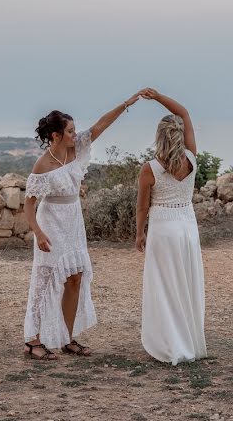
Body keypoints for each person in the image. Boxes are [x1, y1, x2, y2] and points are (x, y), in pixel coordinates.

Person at [22, 92, 143, 360]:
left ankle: (67, 338)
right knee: (45, 280)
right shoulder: (42, 167)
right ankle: (33, 340)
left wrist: (126, 104)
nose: (75, 135)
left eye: (75, 130)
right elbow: (28, 205)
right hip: (51, 222)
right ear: (55, 135)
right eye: (70, 131)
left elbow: (100, 125)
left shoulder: (77, 151)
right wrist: (39, 233)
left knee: (75, 277)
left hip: (73, 220)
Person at [136, 88, 207, 365]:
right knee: (186, 284)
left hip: (163, 230)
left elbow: (142, 207)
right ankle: (187, 340)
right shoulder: (191, 159)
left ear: (159, 137)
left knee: (165, 287)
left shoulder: (150, 168)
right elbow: (185, 113)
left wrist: (139, 233)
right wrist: (158, 97)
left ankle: (170, 344)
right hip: (188, 228)